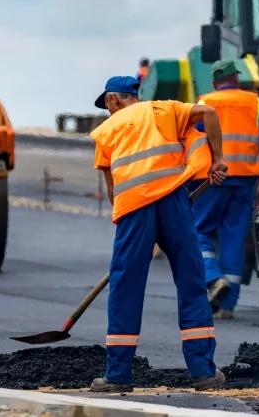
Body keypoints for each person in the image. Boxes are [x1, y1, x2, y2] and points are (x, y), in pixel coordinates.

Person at [88, 75, 229, 393]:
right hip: (174, 203)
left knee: (125, 287)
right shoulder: (165, 109)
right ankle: (204, 372)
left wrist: (129, 228)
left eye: (108, 105)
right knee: (192, 283)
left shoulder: (108, 131)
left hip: (135, 210)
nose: (108, 111)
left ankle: (118, 375)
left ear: (114, 100)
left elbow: (113, 191)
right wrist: (218, 158)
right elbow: (209, 113)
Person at [192, 60, 259, 319]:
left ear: (215, 82)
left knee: (199, 231)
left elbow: (193, 143)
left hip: (211, 180)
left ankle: (212, 277)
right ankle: (228, 306)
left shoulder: (203, 102)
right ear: (236, 79)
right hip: (244, 182)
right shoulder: (254, 103)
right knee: (234, 240)